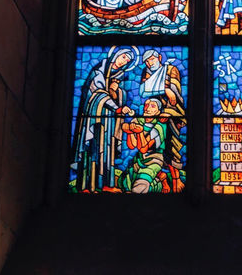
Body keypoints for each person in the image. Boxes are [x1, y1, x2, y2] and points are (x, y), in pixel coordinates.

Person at [71, 46, 136, 191]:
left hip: (109, 121)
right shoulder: (99, 70)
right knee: (93, 149)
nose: (124, 62)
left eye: (128, 60)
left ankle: (106, 184)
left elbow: (119, 96)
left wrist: (117, 91)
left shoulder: (119, 76)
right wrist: (118, 107)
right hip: (93, 119)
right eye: (124, 57)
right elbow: (99, 93)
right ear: (117, 54)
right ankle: (88, 186)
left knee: (107, 150)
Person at [138, 49, 186, 189]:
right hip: (154, 112)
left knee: (172, 145)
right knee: (155, 147)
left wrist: (164, 90)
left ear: (159, 57)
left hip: (172, 113)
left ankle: (176, 180)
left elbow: (174, 97)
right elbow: (142, 91)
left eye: (152, 59)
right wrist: (164, 89)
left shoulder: (171, 69)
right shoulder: (146, 72)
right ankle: (161, 177)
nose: (149, 63)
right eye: (147, 61)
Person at [120, 98, 167, 193]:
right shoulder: (139, 120)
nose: (147, 108)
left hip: (154, 160)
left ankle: (158, 183)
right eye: (146, 105)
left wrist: (139, 132)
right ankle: (159, 177)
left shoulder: (159, 126)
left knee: (139, 187)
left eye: (152, 106)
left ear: (158, 111)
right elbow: (132, 145)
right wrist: (129, 132)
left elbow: (144, 148)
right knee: (124, 182)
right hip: (139, 160)